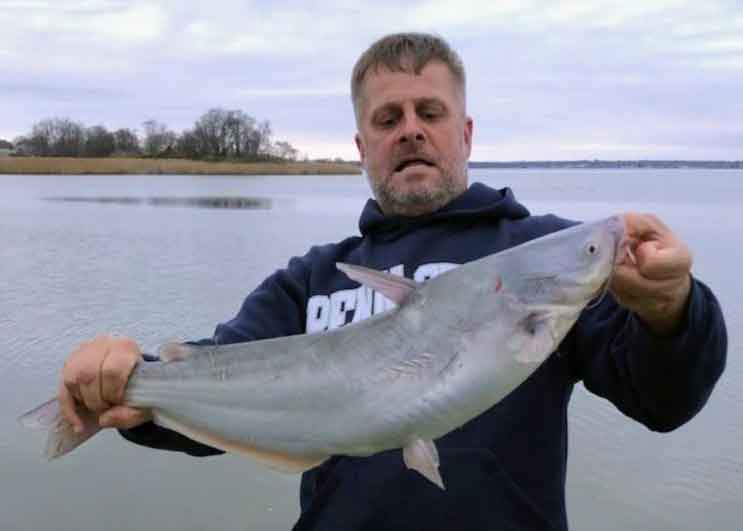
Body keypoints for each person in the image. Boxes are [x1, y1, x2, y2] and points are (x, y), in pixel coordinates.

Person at [58, 33, 727, 530]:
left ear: (463, 133)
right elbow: (227, 387)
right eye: (387, 119)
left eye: (429, 113)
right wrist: (130, 384)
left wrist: (671, 306)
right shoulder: (309, 279)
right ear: (361, 147)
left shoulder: (540, 253)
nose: (410, 131)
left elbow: (662, 399)